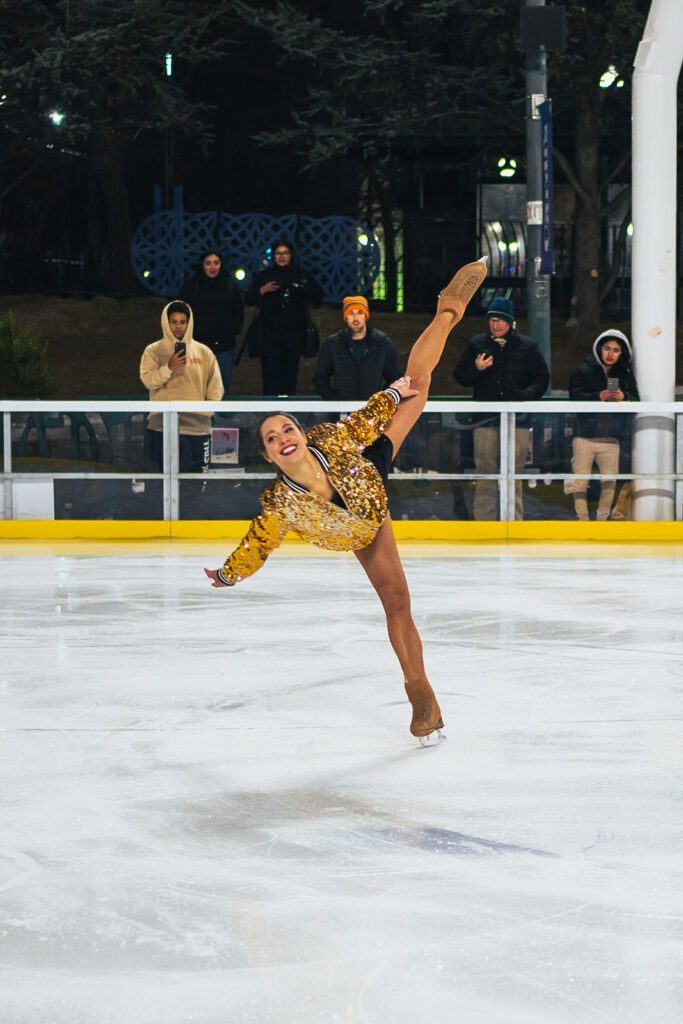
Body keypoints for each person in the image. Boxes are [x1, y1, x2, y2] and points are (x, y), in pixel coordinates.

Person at [204, 257, 489, 744]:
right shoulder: (280, 504)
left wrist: (395, 394)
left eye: (287, 427)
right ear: (269, 455)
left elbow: (359, 425)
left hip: (365, 474)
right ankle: (422, 693)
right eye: (273, 438)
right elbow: (257, 544)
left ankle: (449, 308)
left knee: (418, 383)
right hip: (355, 528)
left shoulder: (325, 437)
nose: (285, 437)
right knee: (393, 601)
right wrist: (229, 574)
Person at [453, 296, 549, 520]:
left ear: (510, 321)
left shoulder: (527, 346)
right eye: (491, 320)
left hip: (518, 420)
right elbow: (460, 376)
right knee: (485, 472)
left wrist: (524, 397)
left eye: (500, 320)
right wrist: (476, 368)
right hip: (484, 420)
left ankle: (513, 519)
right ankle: (485, 520)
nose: (495, 325)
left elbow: (541, 380)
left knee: (514, 473)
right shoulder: (477, 344)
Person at [140, 301, 224, 473]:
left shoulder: (204, 352)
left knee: (196, 485)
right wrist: (169, 367)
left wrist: (205, 413)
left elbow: (216, 389)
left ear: (189, 323)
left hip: (197, 429)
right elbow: (149, 381)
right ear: (166, 322)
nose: (178, 327)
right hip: (161, 427)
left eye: (182, 322)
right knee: (159, 484)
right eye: (173, 322)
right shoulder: (153, 351)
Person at [568, 329, 639, 521]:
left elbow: (637, 399)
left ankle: (602, 520)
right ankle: (582, 519)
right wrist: (595, 397)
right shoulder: (583, 369)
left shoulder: (624, 373)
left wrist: (625, 397)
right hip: (584, 436)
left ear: (621, 353)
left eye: (615, 350)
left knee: (609, 483)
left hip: (611, 438)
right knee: (580, 483)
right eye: (607, 348)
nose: (610, 353)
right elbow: (574, 397)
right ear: (599, 348)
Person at [244, 239, 323, 396]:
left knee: (290, 376)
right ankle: (270, 414)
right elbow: (249, 299)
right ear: (273, 256)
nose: (282, 257)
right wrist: (263, 290)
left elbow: (318, 297)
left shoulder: (301, 274)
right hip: (269, 336)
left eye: (285, 253)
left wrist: (301, 289)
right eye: (278, 253)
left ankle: (288, 413)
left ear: (291, 255)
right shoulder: (265, 275)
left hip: (294, 336)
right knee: (270, 376)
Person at [179, 251, 245, 394]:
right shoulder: (192, 286)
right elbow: (179, 311)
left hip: (224, 345)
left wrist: (232, 330)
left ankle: (219, 414)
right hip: (197, 345)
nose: (212, 267)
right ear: (202, 265)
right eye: (208, 263)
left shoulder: (229, 285)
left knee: (222, 380)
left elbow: (238, 311)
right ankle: (198, 415)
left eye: (216, 263)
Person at [313, 295, 403, 400]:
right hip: (342, 411)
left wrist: (382, 400)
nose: (355, 318)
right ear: (345, 317)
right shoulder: (333, 344)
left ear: (366, 315)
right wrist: (334, 401)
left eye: (360, 313)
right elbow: (320, 377)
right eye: (351, 313)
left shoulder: (382, 343)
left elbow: (396, 377)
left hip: (374, 412)